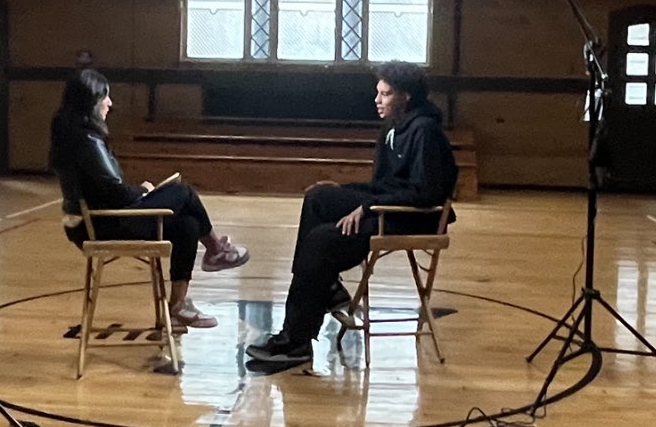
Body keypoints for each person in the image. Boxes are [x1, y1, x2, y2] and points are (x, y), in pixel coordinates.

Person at [245, 61, 456, 364]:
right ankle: (328, 287)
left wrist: (365, 206)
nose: (377, 100)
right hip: (389, 206)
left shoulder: (425, 131)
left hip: (413, 217)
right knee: (320, 197)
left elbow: (426, 193)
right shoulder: (392, 129)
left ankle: (297, 340)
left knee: (320, 242)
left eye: (385, 94)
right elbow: (384, 185)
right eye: (377, 93)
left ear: (406, 97)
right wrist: (344, 190)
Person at [50, 68, 249, 329]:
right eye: (105, 97)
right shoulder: (87, 140)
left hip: (98, 221)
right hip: (104, 225)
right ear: (91, 101)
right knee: (183, 191)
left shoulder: (73, 136)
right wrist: (143, 191)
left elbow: (107, 190)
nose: (110, 103)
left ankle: (178, 305)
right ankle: (215, 251)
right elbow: (117, 193)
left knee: (187, 225)